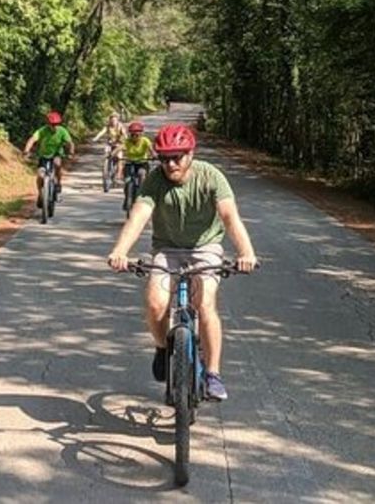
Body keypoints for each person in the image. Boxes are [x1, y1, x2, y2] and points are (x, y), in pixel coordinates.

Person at [106, 124, 257, 401]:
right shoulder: (154, 181)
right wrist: (120, 251)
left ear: (191, 153)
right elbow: (138, 217)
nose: (170, 164)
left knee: (205, 302)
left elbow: (229, 217)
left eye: (177, 157)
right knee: (155, 302)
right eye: (164, 158)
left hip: (205, 248)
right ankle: (163, 348)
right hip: (167, 249)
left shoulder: (211, 176)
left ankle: (213, 374)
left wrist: (246, 253)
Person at [22, 110, 76, 208]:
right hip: (43, 156)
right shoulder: (42, 130)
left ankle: (58, 183)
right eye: (52, 124)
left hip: (56, 154)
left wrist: (71, 152)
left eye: (56, 124)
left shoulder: (62, 131)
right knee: (40, 175)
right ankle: (41, 194)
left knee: (57, 164)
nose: (54, 126)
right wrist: (26, 150)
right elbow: (32, 139)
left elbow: (70, 143)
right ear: (48, 123)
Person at [120, 120, 155, 207]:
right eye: (132, 135)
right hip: (130, 163)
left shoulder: (145, 141)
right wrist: (112, 155)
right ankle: (127, 198)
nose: (135, 137)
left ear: (141, 134)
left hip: (142, 163)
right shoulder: (127, 141)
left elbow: (151, 149)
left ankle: (141, 197)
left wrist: (154, 155)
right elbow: (119, 148)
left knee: (141, 175)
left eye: (137, 135)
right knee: (127, 181)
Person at [94, 111, 128, 181]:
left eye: (114, 120)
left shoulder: (120, 126)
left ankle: (118, 174)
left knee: (119, 158)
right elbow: (102, 132)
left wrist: (126, 140)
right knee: (106, 154)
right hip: (110, 144)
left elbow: (125, 134)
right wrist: (96, 138)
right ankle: (106, 168)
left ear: (117, 120)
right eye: (111, 120)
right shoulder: (108, 126)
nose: (113, 121)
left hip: (118, 144)